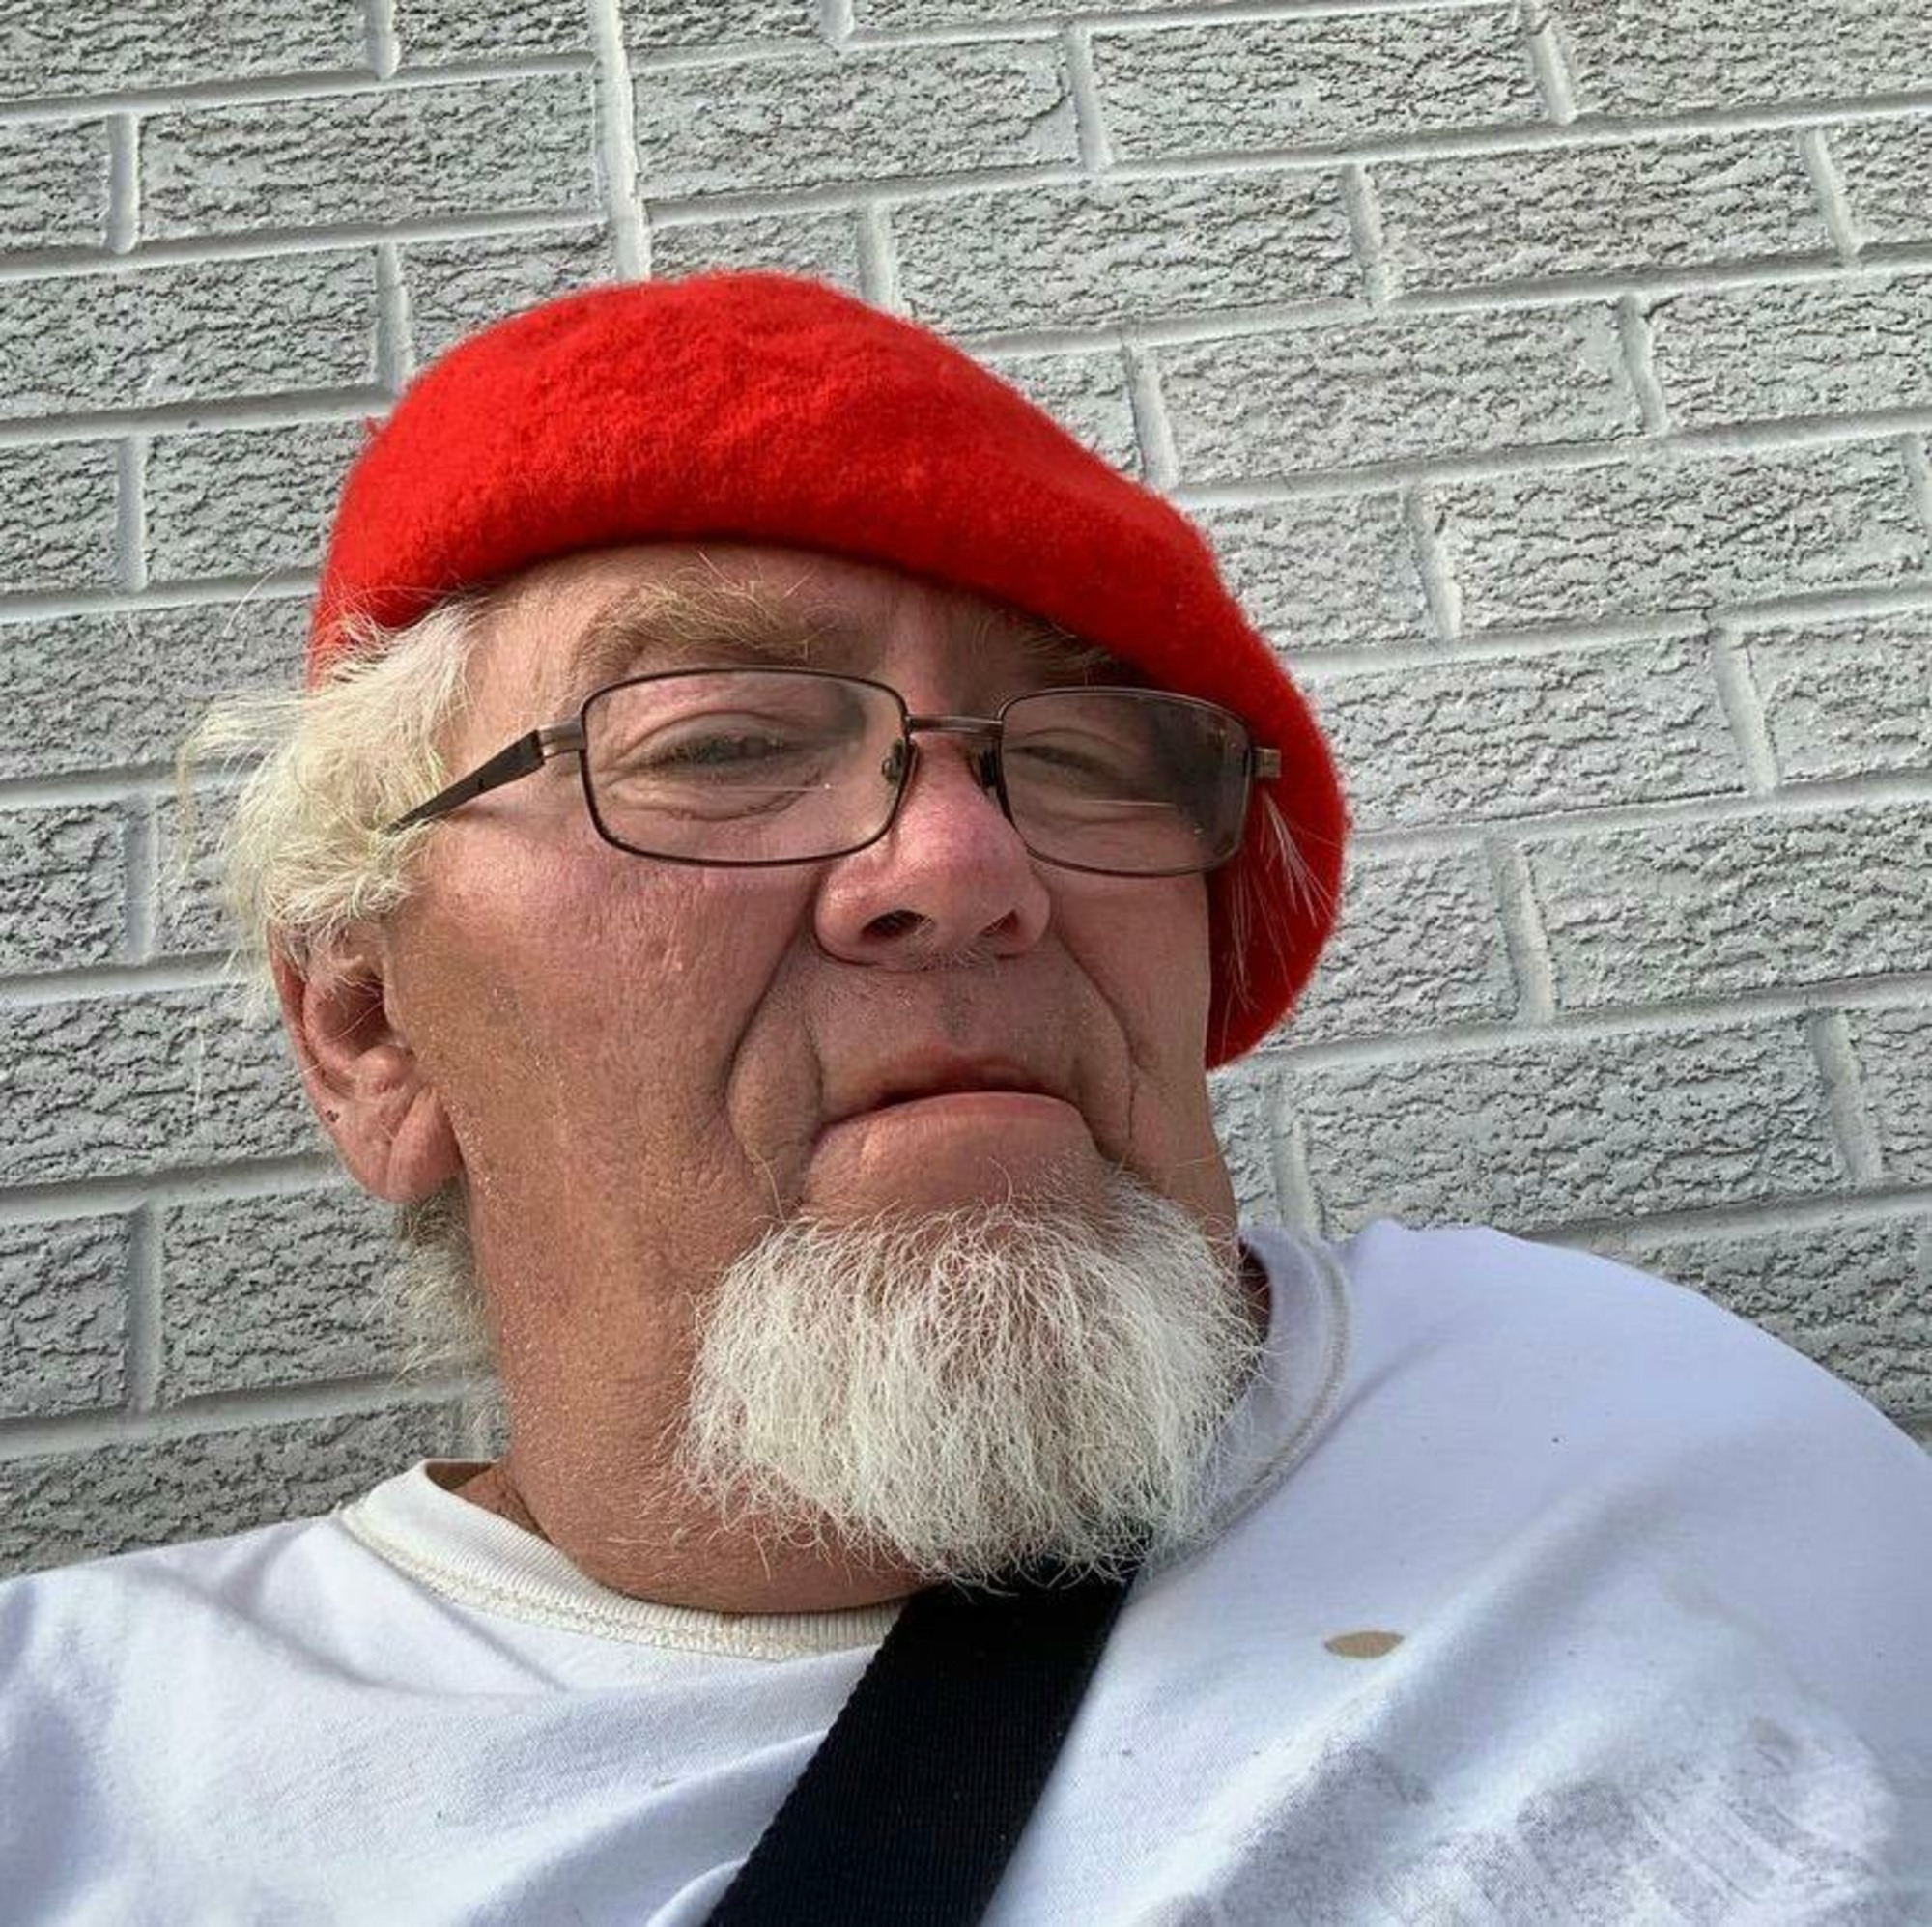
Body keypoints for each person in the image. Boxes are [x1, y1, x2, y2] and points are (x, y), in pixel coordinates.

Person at [2, 272, 1927, 1924]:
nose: (967, 861)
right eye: (719, 743)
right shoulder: (77, 1769)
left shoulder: (1648, 1422)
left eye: (1085, 755)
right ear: (370, 1029)